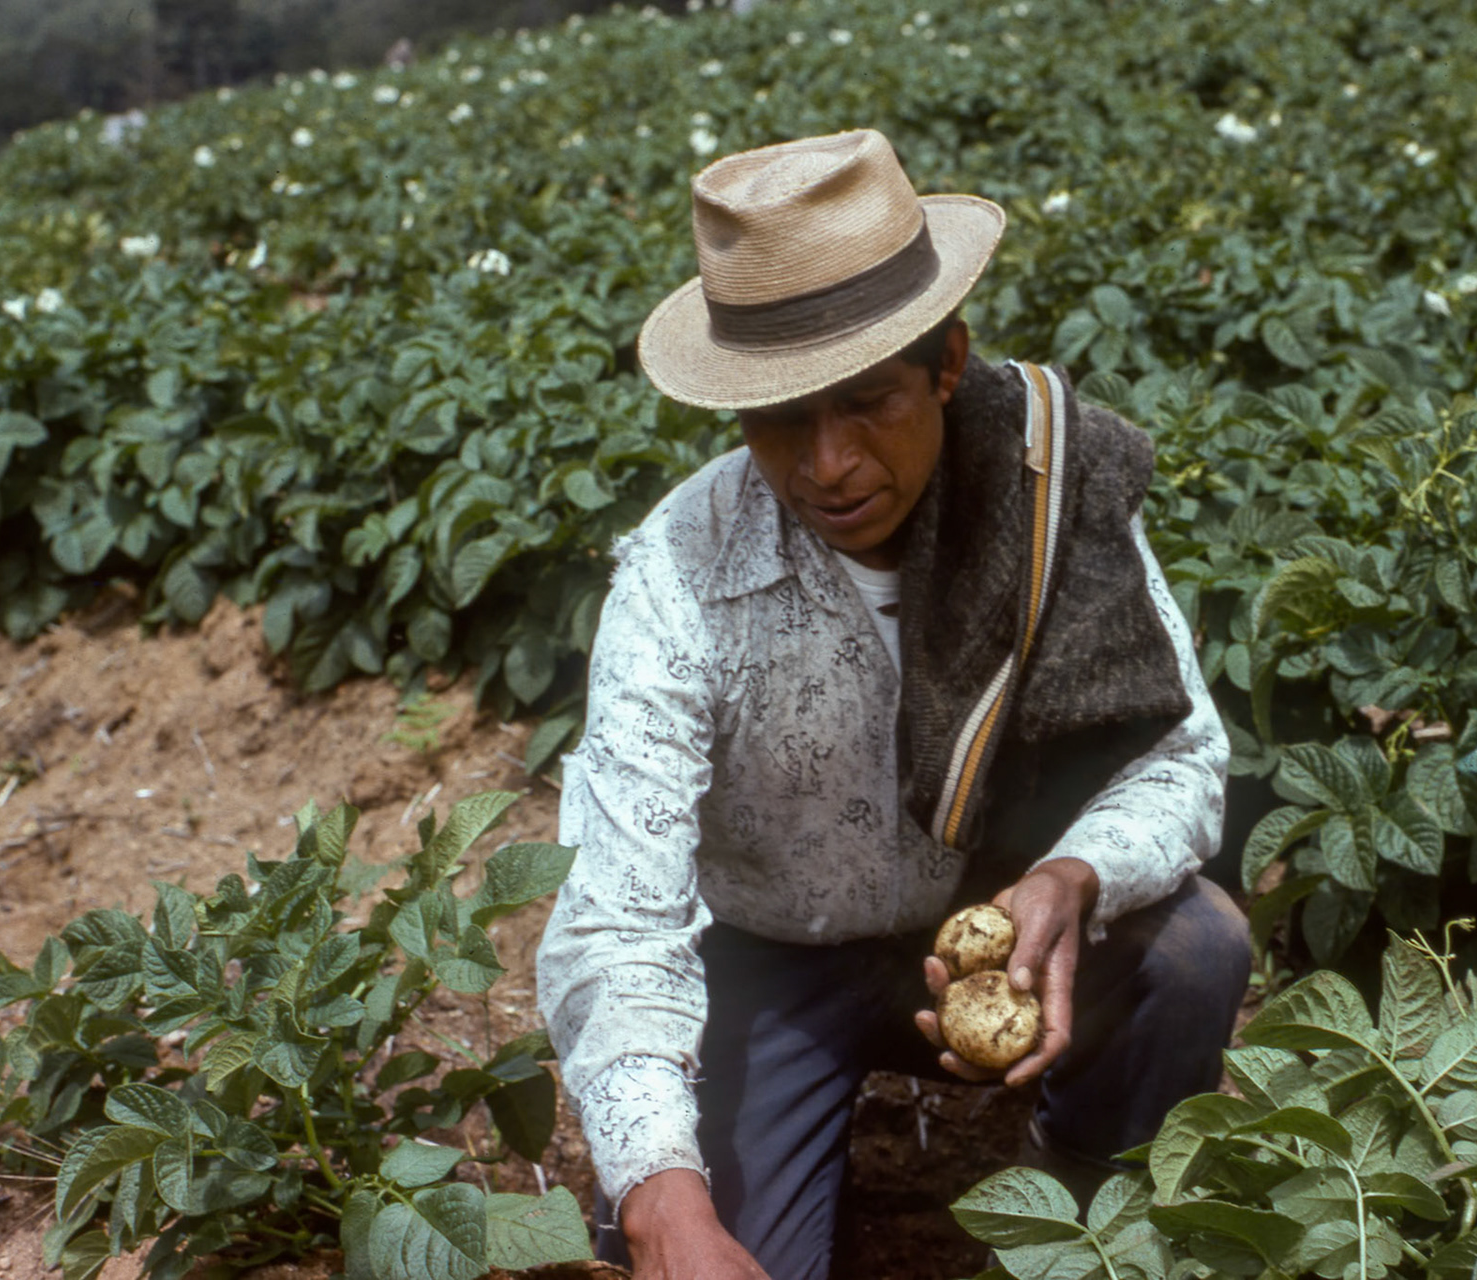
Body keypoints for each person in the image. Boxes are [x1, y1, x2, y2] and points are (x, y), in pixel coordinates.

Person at [536, 128, 1251, 1280]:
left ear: (948, 362)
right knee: (703, 1242)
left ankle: (1085, 1194)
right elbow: (618, 917)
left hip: (985, 935)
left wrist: (1074, 876)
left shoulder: (1048, 491)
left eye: (869, 402)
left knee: (1195, 945)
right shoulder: (679, 575)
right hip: (767, 966)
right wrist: (663, 1195)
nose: (827, 462)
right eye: (779, 418)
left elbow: (1182, 758)